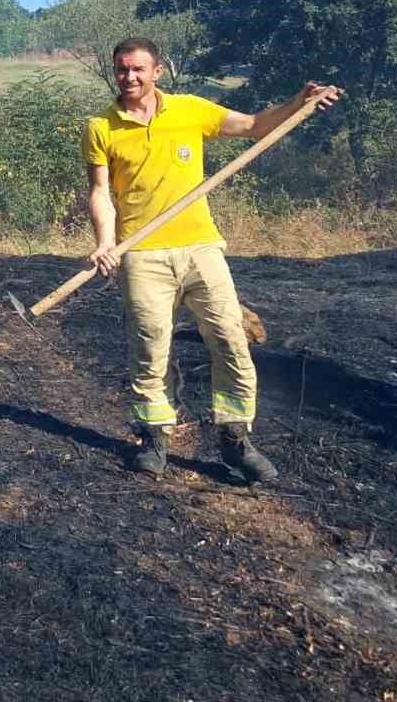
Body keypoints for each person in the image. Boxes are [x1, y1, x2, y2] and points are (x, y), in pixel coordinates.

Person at [84, 36, 341, 483]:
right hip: (141, 254)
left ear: (157, 71)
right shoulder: (100, 126)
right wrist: (106, 243)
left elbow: (254, 126)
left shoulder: (190, 110)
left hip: (201, 248)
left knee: (230, 339)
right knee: (150, 349)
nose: (130, 77)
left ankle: (235, 439)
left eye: (139, 69)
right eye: (122, 69)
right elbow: (100, 193)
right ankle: (155, 438)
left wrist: (297, 103)